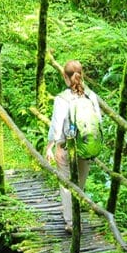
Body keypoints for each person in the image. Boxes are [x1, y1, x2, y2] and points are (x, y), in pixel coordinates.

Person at [46, 60, 102, 233]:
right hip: (86, 147)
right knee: (79, 185)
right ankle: (77, 217)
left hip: (66, 148)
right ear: (82, 75)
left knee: (66, 184)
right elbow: (99, 121)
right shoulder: (90, 96)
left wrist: (50, 147)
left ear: (65, 76)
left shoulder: (62, 99)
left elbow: (56, 126)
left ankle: (71, 222)